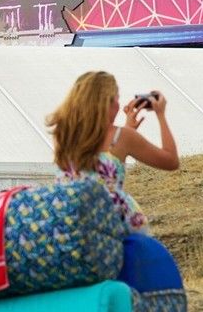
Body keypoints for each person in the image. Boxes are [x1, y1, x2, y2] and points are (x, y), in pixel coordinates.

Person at [46, 71, 179, 233]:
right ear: (107, 103)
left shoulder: (62, 134)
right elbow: (171, 161)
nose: (118, 105)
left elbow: (95, 162)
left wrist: (128, 129)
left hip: (69, 225)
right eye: (116, 98)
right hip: (111, 226)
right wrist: (161, 114)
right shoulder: (123, 137)